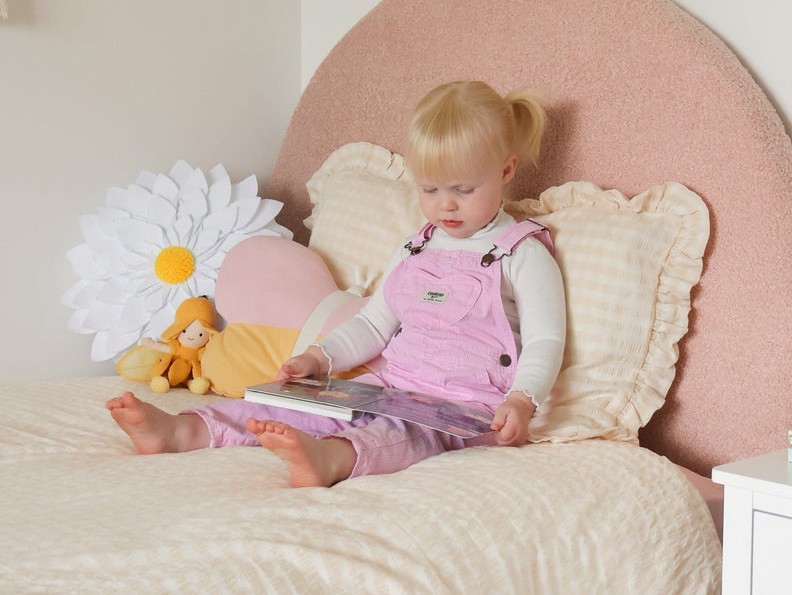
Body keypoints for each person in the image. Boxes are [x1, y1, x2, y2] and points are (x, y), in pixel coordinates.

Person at [107, 80, 567, 488]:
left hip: (467, 409)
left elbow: (545, 340)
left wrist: (523, 400)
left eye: (463, 190)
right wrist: (320, 357)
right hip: (392, 388)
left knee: (401, 436)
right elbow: (374, 324)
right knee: (296, 403)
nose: (445, 205)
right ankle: (186, 430)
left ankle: (331, 459)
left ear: (505, 171)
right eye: (429, 189)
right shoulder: (416, 248)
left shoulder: (522, 253)